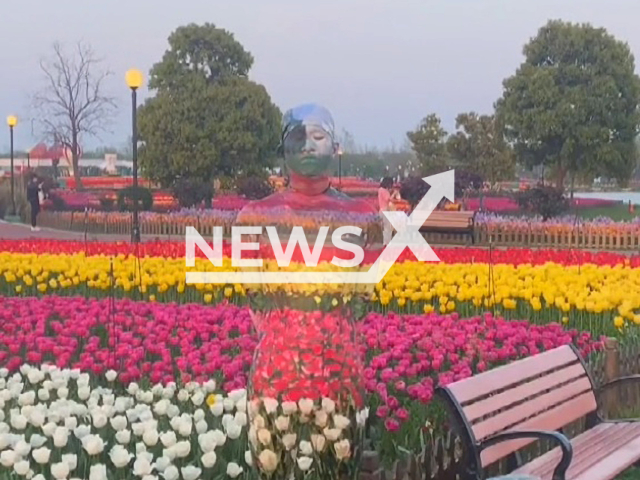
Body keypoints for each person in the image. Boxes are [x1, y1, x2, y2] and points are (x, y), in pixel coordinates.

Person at [378, 176, 395, 245]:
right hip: (385, 210)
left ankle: (385, 242)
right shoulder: (384, 191)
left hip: (381, 210)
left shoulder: (380, 190)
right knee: (388, 228)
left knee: (385, 228)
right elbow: (388, 199)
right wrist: (394, 194)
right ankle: (387, 243)